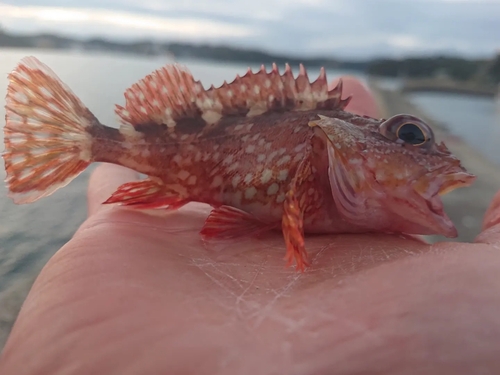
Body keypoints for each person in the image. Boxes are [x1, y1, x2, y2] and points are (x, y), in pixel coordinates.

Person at [1, 77, 499, 375]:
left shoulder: (337, 158)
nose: (427, 155)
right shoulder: (319, 139)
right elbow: (278, 213)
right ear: (337, 142)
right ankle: (79, 139)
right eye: (410, 137)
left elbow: (248, 218)